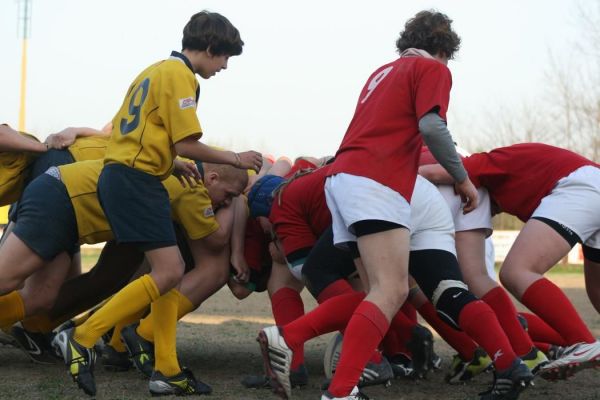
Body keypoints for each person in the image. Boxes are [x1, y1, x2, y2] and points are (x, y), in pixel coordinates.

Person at [258, 10, 482, 400]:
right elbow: (432, 126)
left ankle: (329, 374)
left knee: (380, 290)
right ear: (444, 49)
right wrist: (461, 178)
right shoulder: (433, 70)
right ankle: (321, 369)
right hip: (376, 181)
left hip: (342, 179)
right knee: (392, 288)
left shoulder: (382, 72)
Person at [51, 10, 262, 397]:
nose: (225, 66)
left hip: (133, 175)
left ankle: (166, 369)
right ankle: (82, 335)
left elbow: (140, 133)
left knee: (171, 272)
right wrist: (236, 158)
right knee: (168, 272)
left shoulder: (153, 70)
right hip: (136, 180)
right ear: (211, 47)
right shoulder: (181, 75)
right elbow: (185, 142)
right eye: (225, 57)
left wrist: (170, 161)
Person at [419, 142, 600, 381]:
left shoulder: (484, 162)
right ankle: (583, 344)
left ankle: (582, 342)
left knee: (517, 271)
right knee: (596, 289)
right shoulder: (509, 170)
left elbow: (438, 172)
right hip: (589, 184)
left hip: (580, 187)